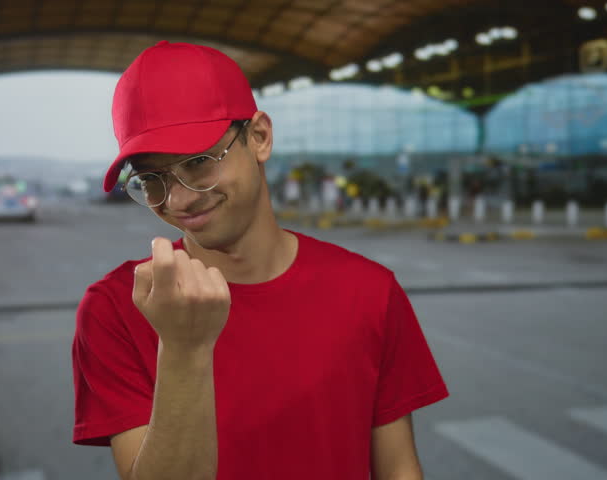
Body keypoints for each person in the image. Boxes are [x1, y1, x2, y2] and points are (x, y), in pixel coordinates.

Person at [71, 40, 449, 480]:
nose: (177, 200)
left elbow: (399, 469)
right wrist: (184, 349)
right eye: (151, 179)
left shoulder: (369, 291)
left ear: (259, 137)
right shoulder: (117, 308)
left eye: (198, 162)